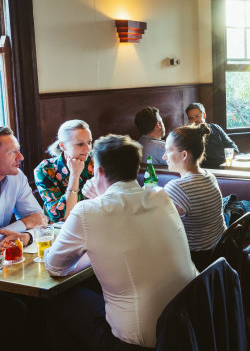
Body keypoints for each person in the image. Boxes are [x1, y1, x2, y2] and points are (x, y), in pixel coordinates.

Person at [44, 134, 197, 350]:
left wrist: (98, 199)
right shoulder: (160, 196)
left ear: (99, 171)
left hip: (139, 339)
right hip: (187, 321)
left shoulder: (88, 211)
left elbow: (55, 267)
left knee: (55, 299)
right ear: (136, 169)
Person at [0, 126, 48, 349]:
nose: (21, 157)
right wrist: (23, 225)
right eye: (12, 152)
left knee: (41, 304)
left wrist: (26, 235)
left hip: (6, 267)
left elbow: (40, 218)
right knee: (17, 310)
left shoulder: (16, 177)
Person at [163, 124, 226, 271]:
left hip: (197, 260)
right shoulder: (209, 175)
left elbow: (159, 225)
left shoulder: (176, 187)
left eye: (168, 150)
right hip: (219, 251)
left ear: (184, 155)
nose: (164, 156)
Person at [34, 119, 93, 222]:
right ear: (62, 145)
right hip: (60, 230)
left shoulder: (96, 163)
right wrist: (74, 175)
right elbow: (63, 216)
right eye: (80, 144)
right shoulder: (44, 170)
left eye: (89, 142)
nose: (88, 149)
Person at [185, 103, 239, 168]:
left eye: (197, 116)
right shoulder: (188, 136)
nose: (194, 120)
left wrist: (228, 164)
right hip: (205, 171)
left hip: (224, 167)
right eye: (191, 118)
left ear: (204, 115)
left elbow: (232, 147)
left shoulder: (215, 128)